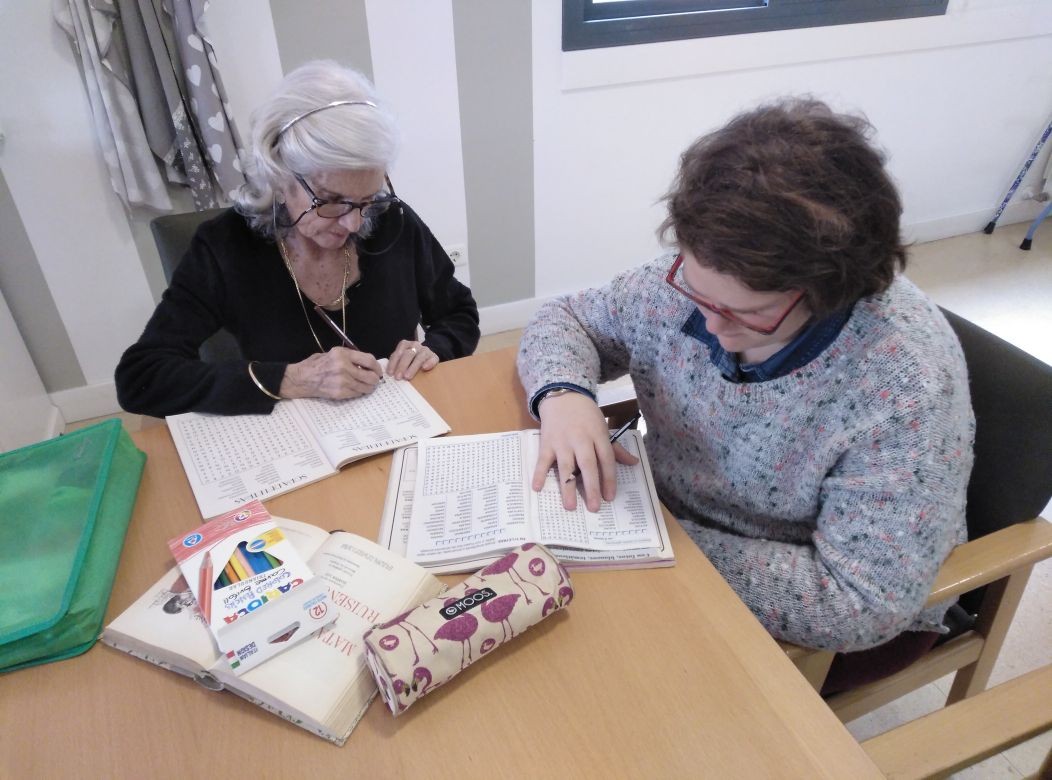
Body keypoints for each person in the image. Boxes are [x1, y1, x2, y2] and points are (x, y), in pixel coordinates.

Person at [517, 98, 975, 658]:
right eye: (697, 290)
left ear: (831, 291)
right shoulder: (696, 282)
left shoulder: (904, 386)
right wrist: (564, 395)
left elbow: (859, 605)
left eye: (749, 312)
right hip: (664, 533)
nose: (710, 324)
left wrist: (659, 537)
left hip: (806, 622)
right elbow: (568, 318)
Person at [116, 60, 479, 418]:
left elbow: (458, 313)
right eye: (331, 201)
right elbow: (142, 378)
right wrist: (291, 379)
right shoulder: (225, 247)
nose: (354, 223)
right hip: (290, 442)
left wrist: (435, 348)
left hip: (395, 424)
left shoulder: (392, 222)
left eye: (366, 200)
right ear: (279, 177)